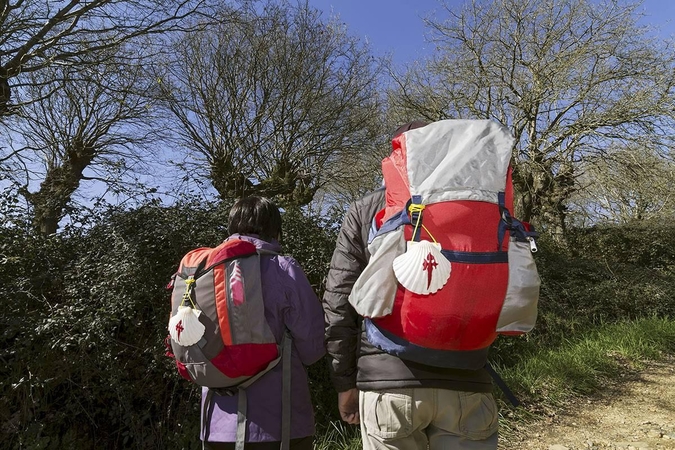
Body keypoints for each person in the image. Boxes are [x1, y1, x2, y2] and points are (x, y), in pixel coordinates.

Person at [322, 121, 499, 449]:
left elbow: (339, 302)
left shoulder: (366, 211)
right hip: (467, 381)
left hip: (387, 382)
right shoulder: (477, 208)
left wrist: (345, 382)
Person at [203, 196, 326, 450]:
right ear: (275, 229)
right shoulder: (282, 268)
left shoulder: (204, 269)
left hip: (216, 422)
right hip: (278, 423)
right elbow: (313, 347)